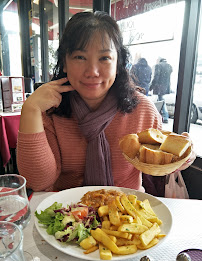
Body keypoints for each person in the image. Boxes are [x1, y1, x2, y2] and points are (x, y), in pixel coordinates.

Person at [16, 12, 193, 193]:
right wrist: (30, 109)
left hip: (129, 213)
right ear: (64, 63)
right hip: (67, 213)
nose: (92, 71)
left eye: (104, 58)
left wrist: (184, 155)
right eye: (79, 57)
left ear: (118, 64)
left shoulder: (143, 110)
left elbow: (161, 161)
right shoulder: (50, 110)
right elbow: (37, 183)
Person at [150, 58, 173, 123]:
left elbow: (156, 77)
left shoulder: (158, 66)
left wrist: (151, 86)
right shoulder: (169, 66)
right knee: (160, 100)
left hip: (159, 86)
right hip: (166, 86)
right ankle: (159, 117)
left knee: (161, 101)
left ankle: (165, 117)